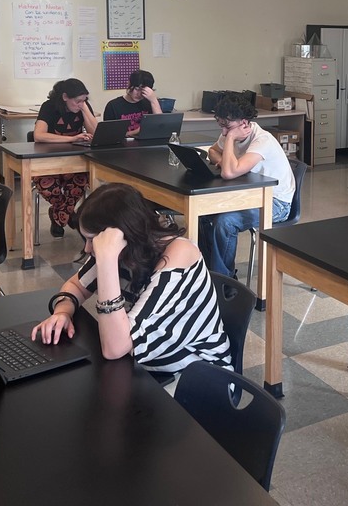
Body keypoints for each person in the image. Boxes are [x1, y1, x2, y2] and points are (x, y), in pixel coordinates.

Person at [32, 182, 232, 386]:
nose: (88, 248)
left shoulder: (177, 258)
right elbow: (75, 287)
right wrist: (62, 312)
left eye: (93, 240)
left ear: (119, 236)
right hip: (144, 368)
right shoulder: (126, 251)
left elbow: (115, 348)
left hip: (196, 382)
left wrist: (107, 261)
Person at [198, 93, 295, 277]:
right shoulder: (232, 132)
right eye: (221, 126)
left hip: (276, 202)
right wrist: (223, 160)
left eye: (228, 127)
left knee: (225, 222)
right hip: (250, 194)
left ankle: (224, 280)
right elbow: (212, 151)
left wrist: (229, 142)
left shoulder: (262, 140)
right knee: (203, 213)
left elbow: (229, 173)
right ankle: (209, 270)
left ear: (243, 123)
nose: (224, 132)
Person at [33, 77, 99, 236]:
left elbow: (96, 133)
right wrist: (72, 138)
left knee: (80, 182)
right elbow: (39, 135)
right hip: (47, 160)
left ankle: (58, 216)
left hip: (73, 161)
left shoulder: (83, 107)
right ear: (65, 97)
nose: (80, 104)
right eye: (77, 101)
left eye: (84, 100)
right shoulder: (49, 107)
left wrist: (85, 110)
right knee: (49, 188)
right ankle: (68, 214)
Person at [103, 69, 162, 135]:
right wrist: (138, 131)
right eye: (137, 89)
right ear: (129, 84)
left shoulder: (149, 103)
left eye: (143, 91)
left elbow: (161, 127)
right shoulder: (113, 106)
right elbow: (109, 135)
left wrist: (154, 100)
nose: (139, 94)